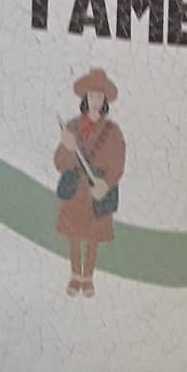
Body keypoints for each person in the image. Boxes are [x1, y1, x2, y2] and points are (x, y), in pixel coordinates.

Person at [54, 68, 125, 298]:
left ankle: (88, 277)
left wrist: (106, 183)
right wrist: (67, 147)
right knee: (74, 235)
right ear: (85, 98)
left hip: (98, 189)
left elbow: (118, 162)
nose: (95, 101)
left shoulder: (113, 131)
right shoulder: (72, 127)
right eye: (92, 96)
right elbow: (59, 162)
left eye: (100, 97)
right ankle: (75, 275)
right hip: (77, 190)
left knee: (93, 237)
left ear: (105, 101)